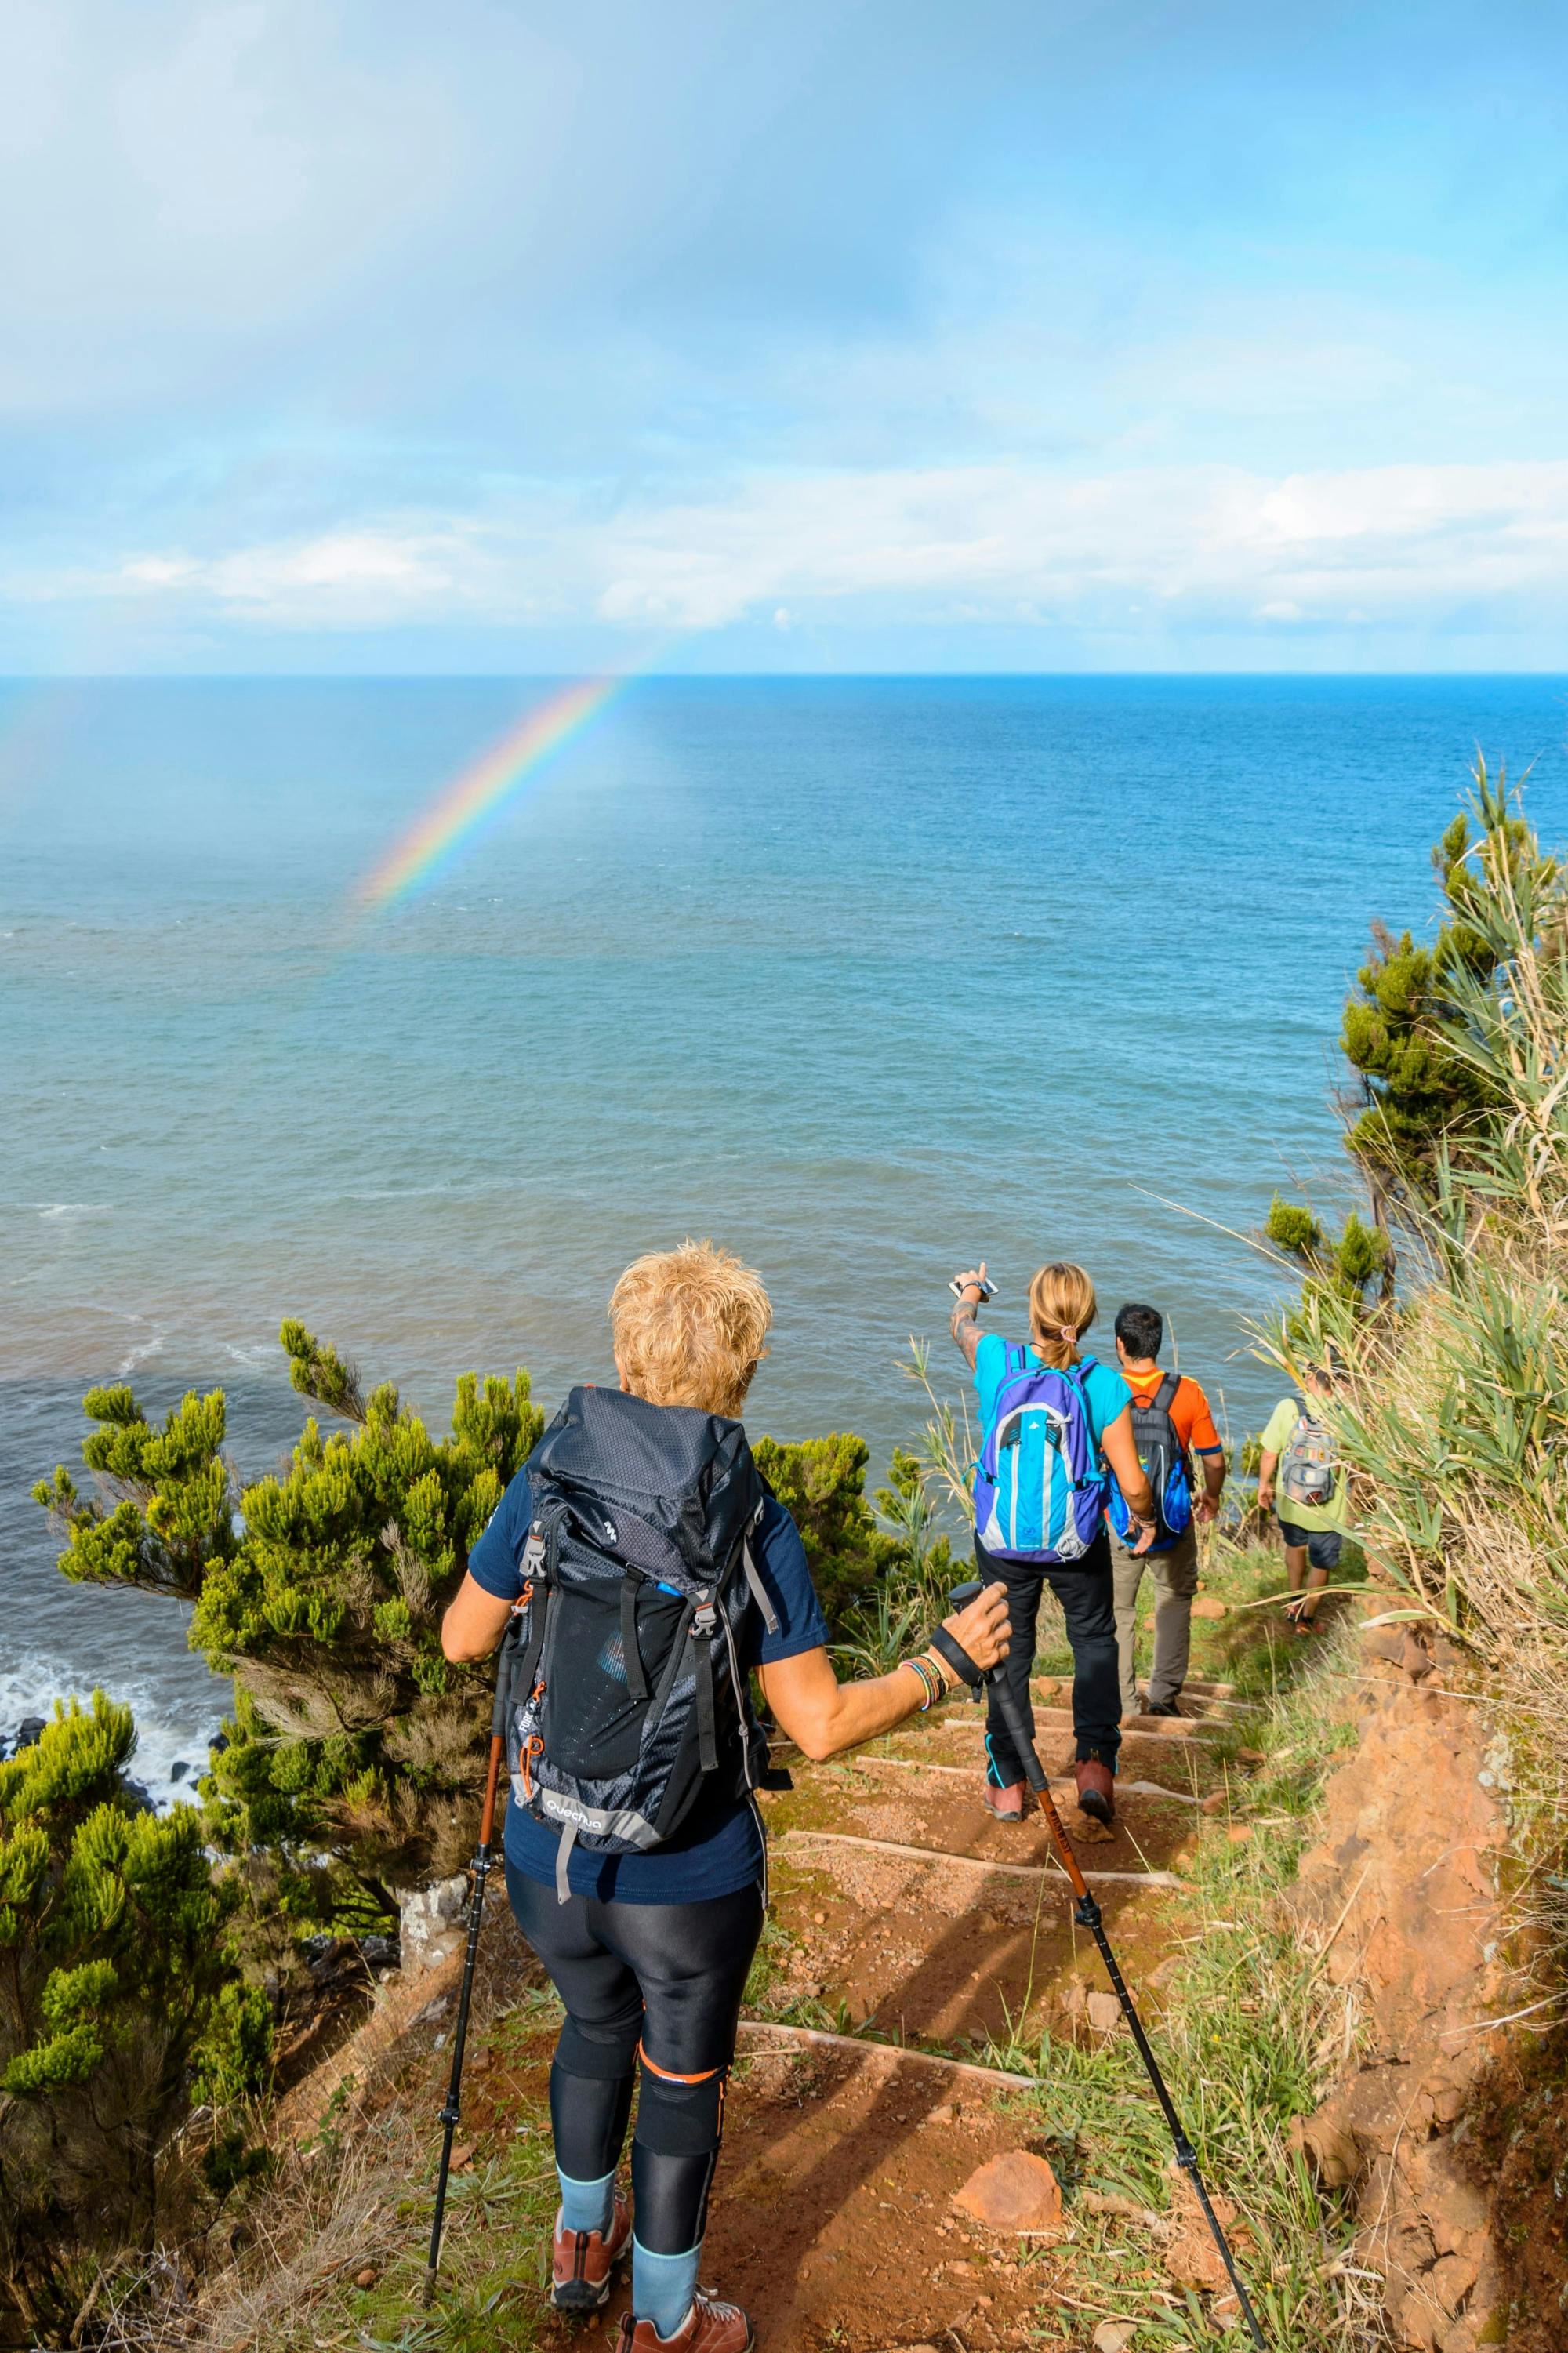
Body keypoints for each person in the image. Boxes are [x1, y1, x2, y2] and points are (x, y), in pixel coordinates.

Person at [442, 1241, 1009, 2353]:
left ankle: (578, 2245)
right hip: (687, 1879)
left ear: (625, 1349)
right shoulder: (746, 1511)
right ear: (742, 1371)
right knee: (682, 2079)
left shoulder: (548, 1473)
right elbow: (819, 1725)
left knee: (593, 2024)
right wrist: (944, 1665)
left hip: (547, 1853)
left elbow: (466, 1639)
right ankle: (665, 2320)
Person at [949, 1259, 1156, 1827]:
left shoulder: (997, 1359)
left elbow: (960, 1325)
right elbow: (1134, 1485)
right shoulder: (1102, 1383)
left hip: (1003, 1542)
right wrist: (1146, 1519)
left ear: (1033, 1311)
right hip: (1075, 1544)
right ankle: (1093, 1766)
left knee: (1008, 1650)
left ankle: (1009, 1782)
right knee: (1092, 1639)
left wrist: (971, 1291)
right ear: (1087, 1318)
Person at [1105, 1302, 1227, 1719]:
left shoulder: (1103, 1389)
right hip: (1173, 1520)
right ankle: (1162, 1697)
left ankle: (1122, 1703)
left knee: (1120, 1612)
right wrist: (1211, 1496)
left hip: (1121, 1522)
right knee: (1173, 1602)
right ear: (1159, 1344)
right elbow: (1214, 1460)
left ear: (1121, 1345)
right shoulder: (1188, 1391)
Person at [1256, 1366, 1348, 1634]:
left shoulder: (1289, 1406)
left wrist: (1265, 1485)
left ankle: (1294, 1602)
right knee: (1320, 1562)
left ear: (1310, 1378)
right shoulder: (1346, 1413)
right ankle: (1307, 1620)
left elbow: (1270, 1453)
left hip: (1292, 1503)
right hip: (1329, 1509)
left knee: (1295, 1547)